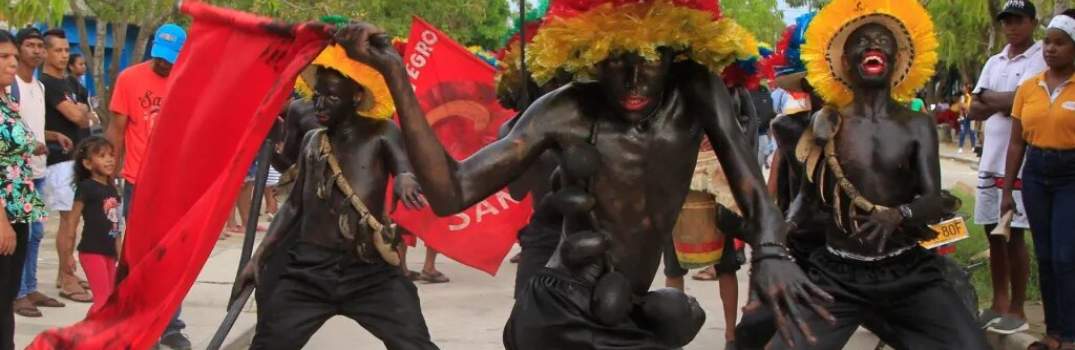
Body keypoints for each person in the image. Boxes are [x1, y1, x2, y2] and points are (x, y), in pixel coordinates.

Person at [339, 1, 830, 347]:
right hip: (562, 308)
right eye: (617, 61)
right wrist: (396, 76)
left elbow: (748, 182)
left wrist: (769, 252)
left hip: (629, 305)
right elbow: (452, 193)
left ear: (676, 52)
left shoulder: (697, 91)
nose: (635, 79)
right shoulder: (564, 110)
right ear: (592, 55)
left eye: (651, 61)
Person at [767, 0, 987, 348]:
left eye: (883, 41)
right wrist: (774, 243)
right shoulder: (824, 125)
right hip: (837, 275)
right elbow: (804, 202)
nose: (873, 45)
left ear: (898, 59)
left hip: (907, 272)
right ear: (843, 61)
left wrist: (899, 215)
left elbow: (933, 199)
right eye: (862, 41)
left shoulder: (917, 125)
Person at [236, 42, 435, 350]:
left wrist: (406, 181)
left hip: (370, 271)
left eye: (331, 97)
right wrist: (258, 257)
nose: (320, 105)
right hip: (309, 271)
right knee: (268, 344)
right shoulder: (312, 142)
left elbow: (404, 168)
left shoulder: (381, 132)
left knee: (415, 344)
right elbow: (293, 207)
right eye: (317, 95)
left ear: (356, 97)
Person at [104, 24, 192, 349]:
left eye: (171, 59)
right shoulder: (130, 78)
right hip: (137, 181)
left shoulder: (189, 82)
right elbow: (116, 129)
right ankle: (139, 324)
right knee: (138, 255)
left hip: (175, 184)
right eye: (160, 56)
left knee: (172, 257)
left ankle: (170, 324)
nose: (164, 64)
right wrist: (107, 172)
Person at [967, 0, 1045, 334]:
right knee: (992, 232)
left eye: (1018, 20)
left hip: (1020, 161)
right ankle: (997, 302)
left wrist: (995, 100)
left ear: (1032, 22)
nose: (1011, 27)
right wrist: (1006, 99)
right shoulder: (994, 60)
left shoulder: (1041, 56)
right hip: (991, 159)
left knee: (1015, 234)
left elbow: (1024, 102)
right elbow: (973, 108)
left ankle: (1017, 306)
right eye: (1006, 21)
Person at [1003, 10, 1075, 350]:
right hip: (1036, 173)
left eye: (1060, 44)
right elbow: (1016, 142)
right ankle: (1055, 332)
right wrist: (1007, 191)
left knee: (1065, 255)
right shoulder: (1028, 88)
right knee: (1045, 255)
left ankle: (1070, 331)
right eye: (1048, 42)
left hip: (1071, 175)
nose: (1051, 49)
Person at [11, 27, 70, 318]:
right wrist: (29, 143)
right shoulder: (12, 87)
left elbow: (33, 128)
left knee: (35, 233)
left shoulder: (39, 87)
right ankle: (18, 293)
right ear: (19, 48)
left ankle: (31, 286)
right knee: (24, 232)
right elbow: (10, 130)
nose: (36, 51)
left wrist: (52, 135)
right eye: (30, 45)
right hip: (16, 174)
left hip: (37, 169)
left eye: (39, 46)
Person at [662, 138, 744, 347]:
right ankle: (675, 336)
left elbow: (740, 124)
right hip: (675, 182)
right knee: (672, 271)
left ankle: (731, 335)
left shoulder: (719, 106)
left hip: (715, 182)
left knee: (726, 267)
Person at [39, 28, 96, 307]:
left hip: (77, 158)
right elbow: (79, 115)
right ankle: (67, 275)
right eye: (57, 50)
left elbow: (90, 115)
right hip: (59, 161)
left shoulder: (72, 83)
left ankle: (66, 273)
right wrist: (82, 113)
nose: (63, 55)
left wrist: (84, 114)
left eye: (65, 50)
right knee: (68, 221)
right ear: (46, 53)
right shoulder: (47, 83)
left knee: (75, 220)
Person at [0, 28, 48, 350]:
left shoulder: (7, 97)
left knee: (7, 295)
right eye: (4, 57)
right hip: (4, 212)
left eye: (14, 57)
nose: (12, 63)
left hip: (20, 206)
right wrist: (1, 221)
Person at [61, 137, 120, 315]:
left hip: (109, 252)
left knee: (109, 300)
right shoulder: (86, 188)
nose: (109, 159)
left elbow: (115, 225)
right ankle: (90, 337)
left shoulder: (112, 188)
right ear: (87, 164)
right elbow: (72, 222)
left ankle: (87, 333)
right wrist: (68, 256)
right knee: (102, 301)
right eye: (102, 156)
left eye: (111, 155)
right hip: (92, 252)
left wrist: (120, 252)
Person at [958, 84, 978, 153]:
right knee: (962, 132)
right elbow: (960, 106)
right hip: (964, 116)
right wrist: (960, 116)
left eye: (964, 88)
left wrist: (965, 107)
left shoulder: (972, 98)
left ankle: (973, 146)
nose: (963, 89)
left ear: (967, 89)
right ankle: (960, 147)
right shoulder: (962, 97)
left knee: (972, 131)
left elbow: (970, 107)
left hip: (971, 116)